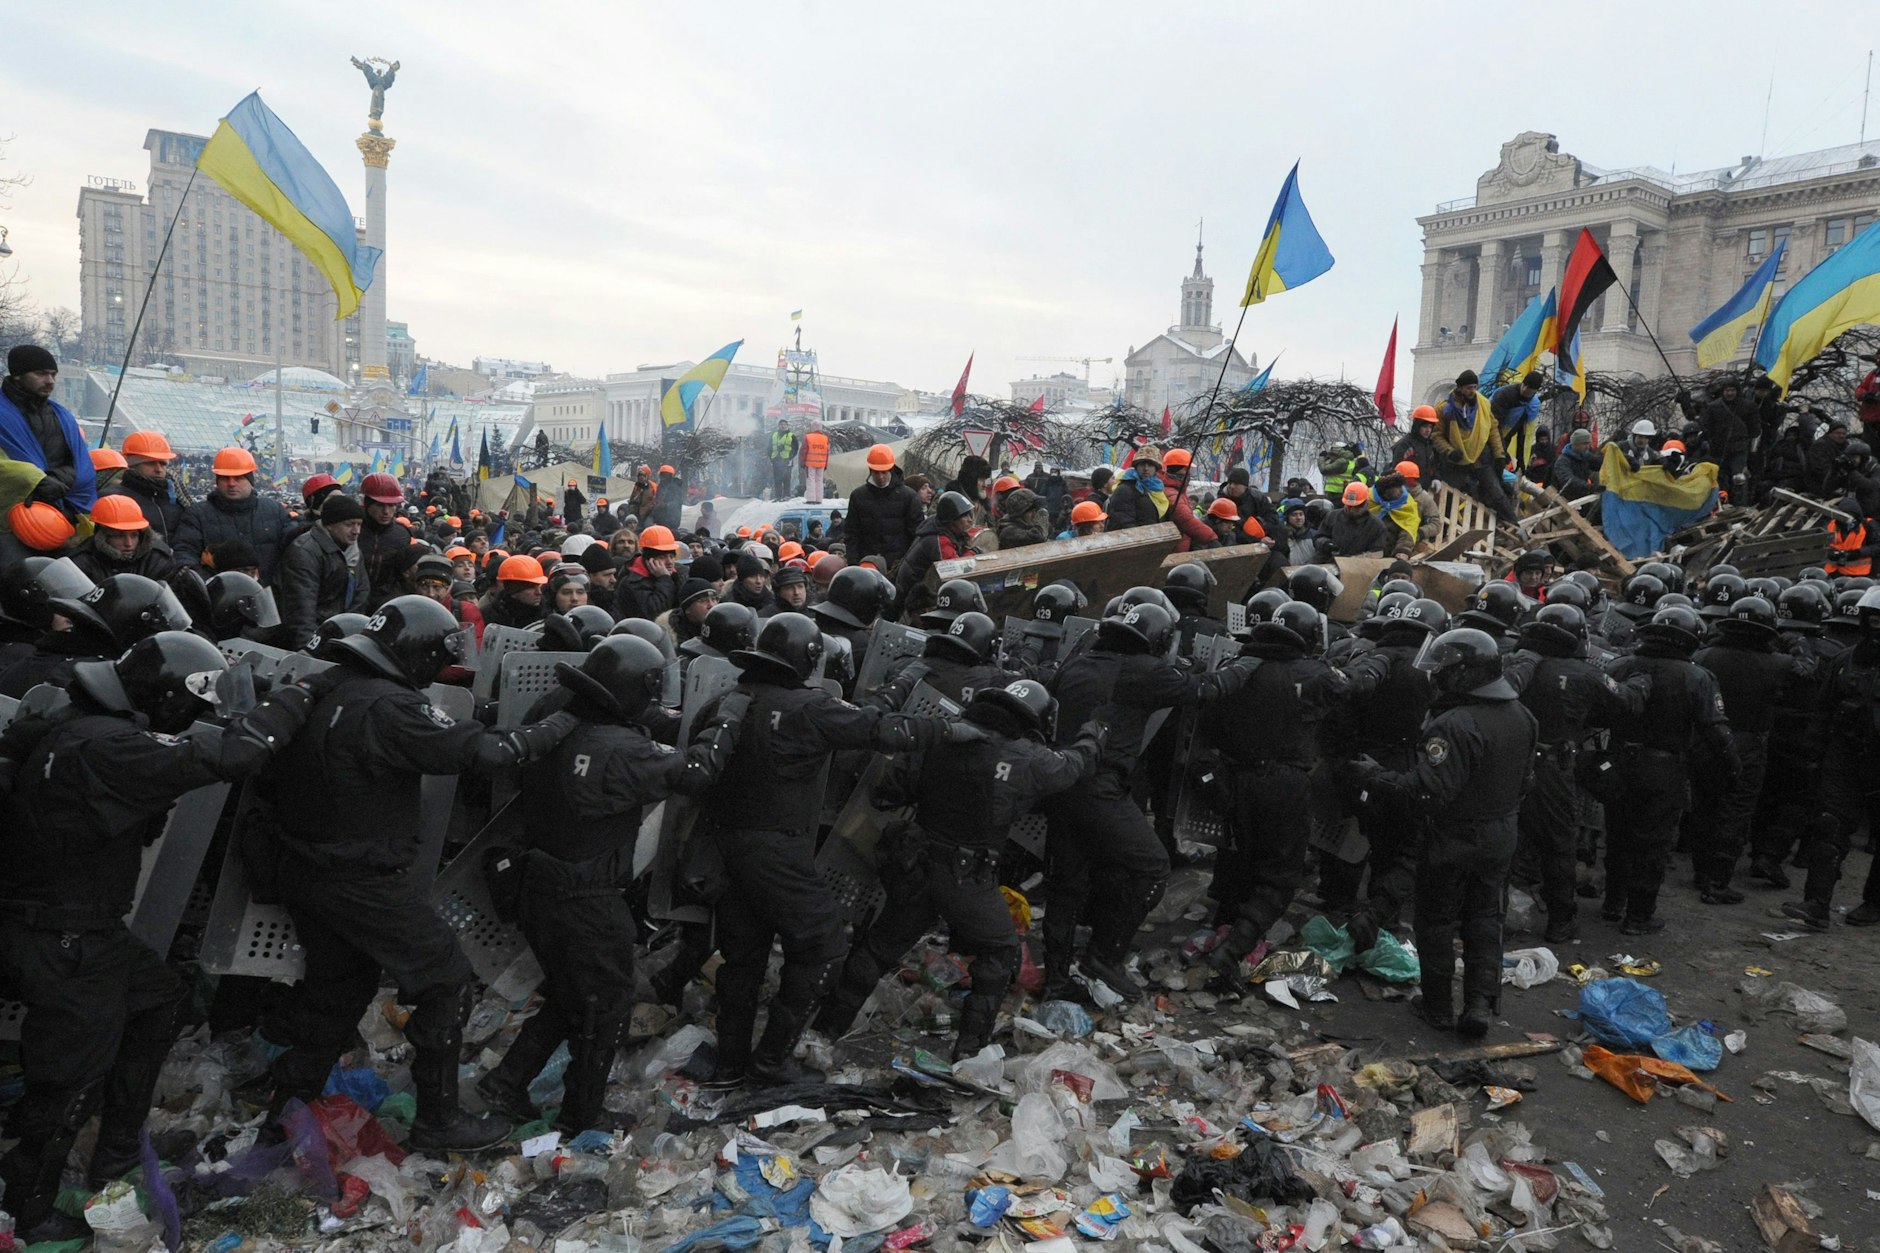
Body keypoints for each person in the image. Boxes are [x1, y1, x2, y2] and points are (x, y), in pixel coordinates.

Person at [0, 632, 317, 1241]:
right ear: (167, 697)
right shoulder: (111, 744)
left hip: (67, 924)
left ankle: (117, 1146)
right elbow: (227, 756)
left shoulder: (81, 724)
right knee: (68, 1080)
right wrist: (299, 696)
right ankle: (29, 1205)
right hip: (65, 934)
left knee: (160, 997)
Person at [253, 597, 582, 1150]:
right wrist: (562, 721)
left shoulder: (327, 689)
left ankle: (281, 1121)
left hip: (308, 871)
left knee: (336, 994)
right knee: (446, 980)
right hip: (362, 879)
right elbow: (489, 753)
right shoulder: (390, 706)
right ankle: (437, 1120)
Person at [692, 613, 975, 1088]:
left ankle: (730, 1064)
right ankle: (770, 1061)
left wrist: (904, 681)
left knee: (743, 957)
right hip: (778, 849)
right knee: (824, 945)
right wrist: (949, 732)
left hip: (727, 846)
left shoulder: (729, 700)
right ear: (809, 660)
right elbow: (879, 729)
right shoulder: (808, 708)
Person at [476, 637, 746, 1131]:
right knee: (608, 1006)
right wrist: (728, 719)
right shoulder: (621, 749)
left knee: (569, 993)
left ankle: (505, 1083)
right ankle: (581, 1116)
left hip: (537, 881)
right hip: (586, 897)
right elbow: (696, 772)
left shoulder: (557, 718)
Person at [815, 682, 1105, 1058]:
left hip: (915, 866)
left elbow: (890, 790)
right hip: (968, 877)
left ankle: (823, 1032)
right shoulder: (1026, 756)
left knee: (878, 948)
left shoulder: (945, 733)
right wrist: (1092, 737)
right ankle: (969, 1054)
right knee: (1000, 953)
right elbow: (1072, 768)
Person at [1041, 600, 1260, 1002]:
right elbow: (1207, 689)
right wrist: (1249, 663)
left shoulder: (1080, 661)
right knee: (1153, 867)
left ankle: (1056, 978)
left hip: (1060, 781)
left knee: (1066, 885)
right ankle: (1103, 958)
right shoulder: (1143, 669)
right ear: (1159, 640)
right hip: (1100, 787)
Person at [1354, 627, 1537, 1037]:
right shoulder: (1522, 715)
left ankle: (1438, 1006)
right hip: (1501, 833)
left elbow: (1427, 795)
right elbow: (1527, 782)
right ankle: (1479, 1007)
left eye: (1444, 670)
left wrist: (1378, 777)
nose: (1436, 678)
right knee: (1486, 918)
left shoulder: (1454, 724)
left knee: (1436, 920)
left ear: (1465, 674)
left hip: (1453, 837)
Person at [1201, 598, 1379, 973]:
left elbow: (1208, 725)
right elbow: (1351, 690)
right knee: (1280, 874)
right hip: (1285, 783)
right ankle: (1233, 950)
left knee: (1240, 859)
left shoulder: (1237, 667)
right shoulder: (1314, 672)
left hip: (1234, 778)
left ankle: (1223, 930)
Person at [1509, 603, 1649, 943]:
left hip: (1506, 763)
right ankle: (1561, 920)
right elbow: (1626, 702)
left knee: (1502, 838)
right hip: (1551, 769)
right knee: (1559, 844)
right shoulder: (1584, 673)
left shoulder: (1513, 664)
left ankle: (1489, 914)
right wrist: (1642, 680)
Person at [1602, 605, 1737, 934]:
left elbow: (1596, 713)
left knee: (1618, 833)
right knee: (1652, 842)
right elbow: (1715, 729)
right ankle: (1638, 915)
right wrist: (1733, 766)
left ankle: (1612, 902)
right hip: (1664, 770)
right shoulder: (1697, 677)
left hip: (1617, 762)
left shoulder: (1620, 665)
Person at [1784, 586, 1880, 929]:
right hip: (1846, 755)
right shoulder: (1845, 660)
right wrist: (1812, 754)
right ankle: (1816, 903)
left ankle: (1874, 902)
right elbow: (1822, 711)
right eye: (1874, 620)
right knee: (1829, 824)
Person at [0, 345, 96, 567]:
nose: (50, 381)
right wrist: (37, 480)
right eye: (41, 374)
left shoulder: (62, 417)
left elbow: (81, 465)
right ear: (17, 375)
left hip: (60, 520)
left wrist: (55, 480)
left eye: (53, 374)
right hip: (9, 528)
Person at [173, 447, 291, 582]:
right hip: (217, 596)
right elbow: (184, 552)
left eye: (238, 478)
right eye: (225, 478)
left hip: (268, 598)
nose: (231, 484)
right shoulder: (197, 514)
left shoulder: (274, 510)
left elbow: (293, 552)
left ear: (250, 480)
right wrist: (206, 583)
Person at [275, 493, 371, 642]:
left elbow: (361, 593)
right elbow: (301, 608)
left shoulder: (354, 552)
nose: (356, 531)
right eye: (349, 524)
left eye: (359, 524)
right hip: (316, 638)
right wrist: (308, 649)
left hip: (341, 635)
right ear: (330, 525)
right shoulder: (304, 552)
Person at [1430, 370, 1517, 523]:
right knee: (1450, 498)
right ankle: (1444, 531)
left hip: (1480, 458)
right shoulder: (1444, 409)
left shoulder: (1483, 404)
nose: (1472, 391)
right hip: (1455, 461)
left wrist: (1499, 455)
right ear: (1460, 388)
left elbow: (1493, 430)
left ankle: (1514, 525)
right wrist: (1449, 451)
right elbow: (1436, 435)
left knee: (1497, 494)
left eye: (1474, 387)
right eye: (1469, 388)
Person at [894, 490, 975, 619]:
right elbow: (957, 571)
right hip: (915, 604)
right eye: (964, 516)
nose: (970, 520)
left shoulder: (938, 528)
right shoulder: (939, 540)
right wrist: (973, 554)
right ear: (951, 520)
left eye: (970, 515)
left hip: (916, 594)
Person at [845, 445, 924, 574]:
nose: (880, 477)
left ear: (891, 469)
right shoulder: (858, 496)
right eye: (876, 472)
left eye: (884, 472)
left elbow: (916, 534)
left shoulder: (908, 496)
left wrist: (910, 564)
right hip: (867, 566)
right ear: (870, 470)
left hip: (900, 566)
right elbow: (852, 534)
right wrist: (853, 565)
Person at [69, 494, 178, 584]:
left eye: (134, 535)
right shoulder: (81, 563)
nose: (128, 543)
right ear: (102, 536)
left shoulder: (158, 559)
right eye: (119, 536)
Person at [107, 430, 185, 540]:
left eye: (162, 464)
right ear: (133, 465)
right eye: (150, 463)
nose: (158, 469)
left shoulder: (176, 498)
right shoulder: (113, 499)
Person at [615, 525, 680, 621]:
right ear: (649, 560)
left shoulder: (677, 575)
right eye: (662, 557)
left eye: (671, 556)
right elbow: (655, 614)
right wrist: (664, 579)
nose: (669, 562)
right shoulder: (632, 582)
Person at [477, 554, 548, 629]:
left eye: (539, 586)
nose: (539, 592)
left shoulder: (547, 612)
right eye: (531, 587)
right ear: (513, 590)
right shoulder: (488, 617)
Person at [1104, 447, 1166, 530]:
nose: (1146, 468)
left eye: (1150, 465)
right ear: (1136, 467)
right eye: (1142, 464)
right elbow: (1122, 522)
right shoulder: (1124, 490)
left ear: (1156, 469)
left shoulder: (1155, 490)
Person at [1320, 482, 1387, 557]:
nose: (1352, 509)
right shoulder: (1332, 516)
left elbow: (1377, 552)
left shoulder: (1377, 526)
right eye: (1349, 506)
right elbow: (1319, 537)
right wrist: (1325, 544)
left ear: (1367, 503)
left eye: (1357, 506)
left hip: (1359, 566)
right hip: (1329, 561)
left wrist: (1358, 558)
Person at [1551, 427, 1603, 502]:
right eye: (1585, 443)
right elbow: (1568, 480)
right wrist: (1589, 487)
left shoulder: (1585, 455)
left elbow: (1598, 463)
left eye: (1589, 443)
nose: (1587, 447)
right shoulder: (1562, 461)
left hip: (1582, 499)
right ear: (1575, 443)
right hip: (1565, 501)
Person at [768, 424, 797, 499]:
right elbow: (769, 447)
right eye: (781, 424)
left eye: (784, 424)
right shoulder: (774, 435)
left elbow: (795, 448)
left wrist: (791, 457)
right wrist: (771, 458)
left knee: (787, 479)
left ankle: (786, 496)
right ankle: (777, 496)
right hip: (776, 459)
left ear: (787, 426)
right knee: (777, 479)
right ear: (778, 426)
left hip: (787, 460)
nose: (783, 426)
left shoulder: (791, 435)